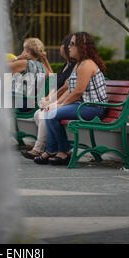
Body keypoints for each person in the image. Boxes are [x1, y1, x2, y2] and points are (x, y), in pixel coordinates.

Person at [34, 32, 108, 165]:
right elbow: (69, 90)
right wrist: (56, 103)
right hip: (82, 105)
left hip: (93, 108)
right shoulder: (79, 64)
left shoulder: (86, 65)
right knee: (49, 112)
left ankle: (63, 151)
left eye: (72, 44)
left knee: (52, 113)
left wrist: (60, 106)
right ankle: (52, 150)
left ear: (82, 47)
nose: (69, 47)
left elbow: (78, 92)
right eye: (69, 44)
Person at [21, 34, 77, 159]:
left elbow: (66, 88)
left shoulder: (74, 67)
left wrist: (52, 101)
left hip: (66, 101)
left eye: (63, 44)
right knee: (38, 114)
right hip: (58, 99)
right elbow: (53, 79)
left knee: (43, 114)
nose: (61, 47)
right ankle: (52, 146)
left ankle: (39, 149)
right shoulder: (66, 65)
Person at [9, 38, 49, 112]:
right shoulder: (44, 68)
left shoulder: (23, 63)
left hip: (17, 101)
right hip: (30, 104)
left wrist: (17, 57)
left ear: (27, 50)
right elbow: (52, 78)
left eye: (23, 49)